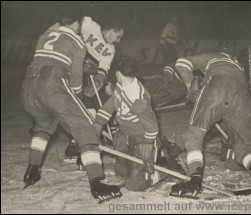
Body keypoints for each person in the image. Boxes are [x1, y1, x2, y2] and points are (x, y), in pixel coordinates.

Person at [21, 9, 121, 201]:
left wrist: (97, 77)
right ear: (77, 24)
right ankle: (97, 182)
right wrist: (76, 100)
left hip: (28, 87)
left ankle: (32, 170)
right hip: (54, 86)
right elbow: (75, 85)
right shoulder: (78, 42)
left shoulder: (44, 35)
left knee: (43, 125)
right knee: (87, 128)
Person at [170, 52, 251, 202]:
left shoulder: (213, 57)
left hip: (218, 85)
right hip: (242, 94)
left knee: (194, 135)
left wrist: (191, 89)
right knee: (245, 146)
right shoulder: (239, 66)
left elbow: (182, 63)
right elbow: (226, 116)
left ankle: (194, 178)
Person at [95, 57, 164, 191]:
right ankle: (130, 165)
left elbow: (152, 127)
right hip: (123, 133)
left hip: (140, 137)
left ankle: (155, 173)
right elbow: (110, 105)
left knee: (134, 185)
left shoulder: (138, 98)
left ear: (118, 73)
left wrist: (146, 149)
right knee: (121, 172)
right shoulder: (122, 85)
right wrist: (98, 123)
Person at [62, 16, 125, 159]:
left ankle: (74, 144)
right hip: (67, 67)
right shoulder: (91, 25)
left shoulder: (110, 49)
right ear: (110, 31)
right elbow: (70, 25)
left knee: (89, 110)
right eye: (118, 36)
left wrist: (98, 81)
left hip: (84, 77)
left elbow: (103, 69)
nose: (118, 41)